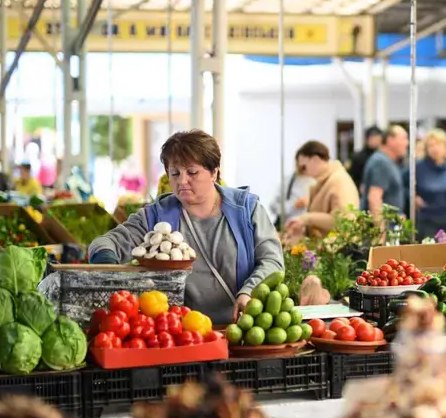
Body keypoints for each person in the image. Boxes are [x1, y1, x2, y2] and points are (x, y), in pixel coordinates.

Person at [88, 130, 284, 325]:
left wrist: (249, 291)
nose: (182, 181)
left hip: (244, 328)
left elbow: (272, 261)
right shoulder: (156, 216)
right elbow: (104, 242)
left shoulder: (246, 210)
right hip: (182, 334)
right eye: (175, 173)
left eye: (192, 172)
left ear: (214, 172)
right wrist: (107, 266)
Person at [283, 141, 359, 243]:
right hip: (328, 250)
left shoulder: (338, 181)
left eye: (304, 167)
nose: (303, 172)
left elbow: (343, 221)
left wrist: (306, 218)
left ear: (315, 159)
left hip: (338, 253)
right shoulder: (324, 182)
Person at [413, 129, 446, 241]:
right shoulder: (419, 167)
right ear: (426, 149)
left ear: (445, 146)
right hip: (429, 220)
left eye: (438, 144)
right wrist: (414, 198)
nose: (435, 148)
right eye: (430, 145)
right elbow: (405, 188)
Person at [361, 124, 408, 215]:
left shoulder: (388, 161)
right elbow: (374, 198)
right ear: (390, 140)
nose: (407, 143)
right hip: (385, 227)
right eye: (404, 138)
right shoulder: (381, 163)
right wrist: (381, 228)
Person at [348, 126, 382, 192]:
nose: (376, 141)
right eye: (373, 138)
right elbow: (351, 178)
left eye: (378, 139)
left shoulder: (383, 157)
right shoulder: (358, 157)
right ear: (367, 139)